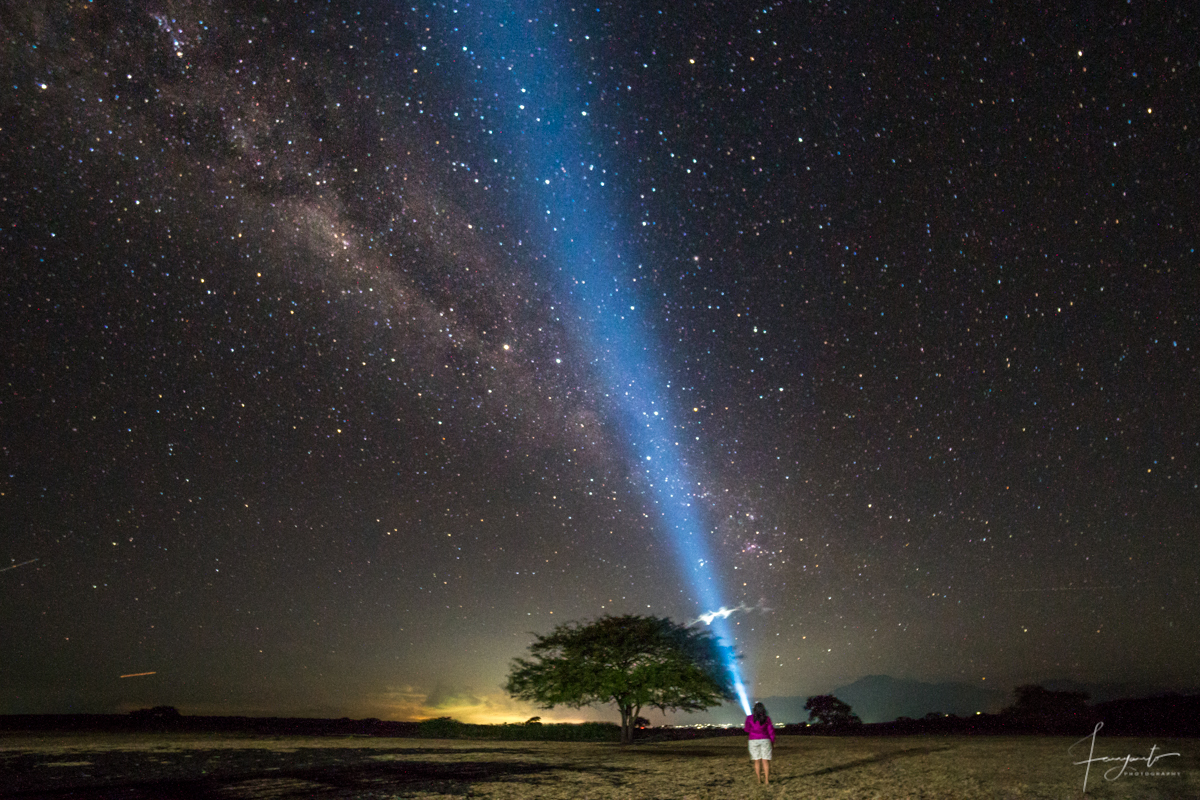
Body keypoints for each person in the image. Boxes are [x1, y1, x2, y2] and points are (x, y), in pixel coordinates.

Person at [744, 701, 775, 785]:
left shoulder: (749, 718)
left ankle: (758, 780)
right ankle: (767, 781)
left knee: (756, 761)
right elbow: (771, 731)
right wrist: (772, 741)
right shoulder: (767, 718)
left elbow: (746, 729)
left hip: (753, 740)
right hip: (765, 740)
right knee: (765, 761)